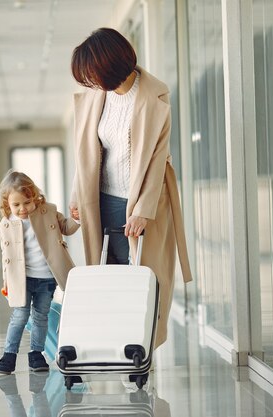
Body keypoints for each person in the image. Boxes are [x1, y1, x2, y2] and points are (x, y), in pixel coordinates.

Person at [68, 27, 193, 348]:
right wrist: (77, 195)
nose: (90, 81)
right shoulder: (97, 97)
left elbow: (156, 160)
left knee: (141, 279)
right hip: (103, 199)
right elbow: (86, 152)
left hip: (140, 201)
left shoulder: (154, 96)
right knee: (108, 278)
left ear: (109, 65)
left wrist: (143, 211)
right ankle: (116, 346)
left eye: (92, 73)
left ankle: (140, 352)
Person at [0, 170, 80, 374]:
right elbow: (6, 258)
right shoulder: (5, 226)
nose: (22, 209)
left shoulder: (48, 212)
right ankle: (9, 355)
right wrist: (7, 282)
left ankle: (36, 354)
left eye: (27, 202)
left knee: (41, 316)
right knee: (20, 316)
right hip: (21, 279)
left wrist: (79, 219)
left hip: (47, 277)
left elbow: (66, 227)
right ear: (7, 205)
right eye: (16, 205)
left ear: (35, 198)